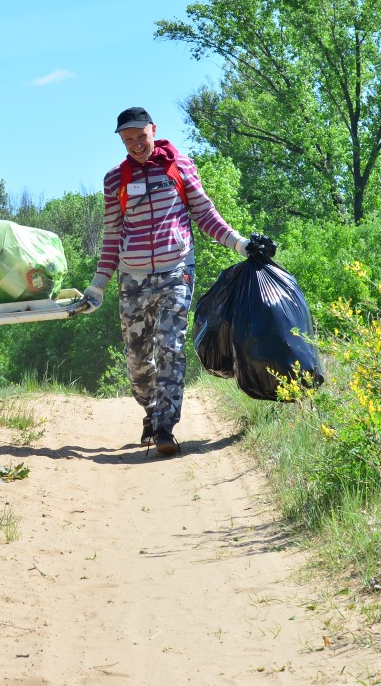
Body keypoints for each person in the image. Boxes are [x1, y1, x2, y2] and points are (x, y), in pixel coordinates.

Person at [82, 106, 273, 456]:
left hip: (176, 272)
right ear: (121, 141)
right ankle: (151, 411)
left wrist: (241, 243)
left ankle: (166, 427)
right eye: (128, 140)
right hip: (132, 280)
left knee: (171, 347)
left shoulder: (179, 167)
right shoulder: (115, 180)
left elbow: (205, 213)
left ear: (154, 130)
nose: (137, 145)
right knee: (137, 360)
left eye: (142, 137)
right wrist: (97, 285)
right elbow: (112, 234)